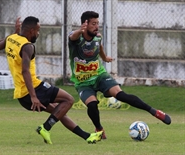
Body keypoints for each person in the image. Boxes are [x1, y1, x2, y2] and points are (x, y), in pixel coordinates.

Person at [0, 16, 103, 144]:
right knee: (68, 100)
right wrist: (34, 96)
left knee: (59, 112)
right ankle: (45, 128)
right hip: (33, 89)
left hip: (21, 95)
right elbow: (25, 71)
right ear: (31, 31)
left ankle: (87, 137)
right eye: (38, 30)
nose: (38, 34)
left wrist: (14, 33)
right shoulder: (28, 46)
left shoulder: (11, 38)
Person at [68, 11, 171, 139]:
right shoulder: (76, 39)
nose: (96, 26)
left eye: (98, 23)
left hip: (99, 75)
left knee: (121, 95)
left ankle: (154, 112)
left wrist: (104, 58)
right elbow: (72, 36)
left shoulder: (97, 36)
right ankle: (99, 128)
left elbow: (98, 46)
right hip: (83, 82)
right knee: (92, 104)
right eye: (93, 24)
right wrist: (79, 30)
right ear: (85, 24)